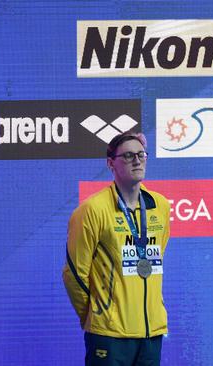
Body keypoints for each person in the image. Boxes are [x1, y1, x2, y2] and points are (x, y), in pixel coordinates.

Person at [63, 131, 171, 366]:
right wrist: (96, 315)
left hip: (151, 332)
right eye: (129, 155)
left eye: (142, 155)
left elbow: (155, 259)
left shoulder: (160, 206)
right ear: (111, 163)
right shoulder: (92, 210)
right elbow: (74, 274)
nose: (137, 160)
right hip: (109, 334)